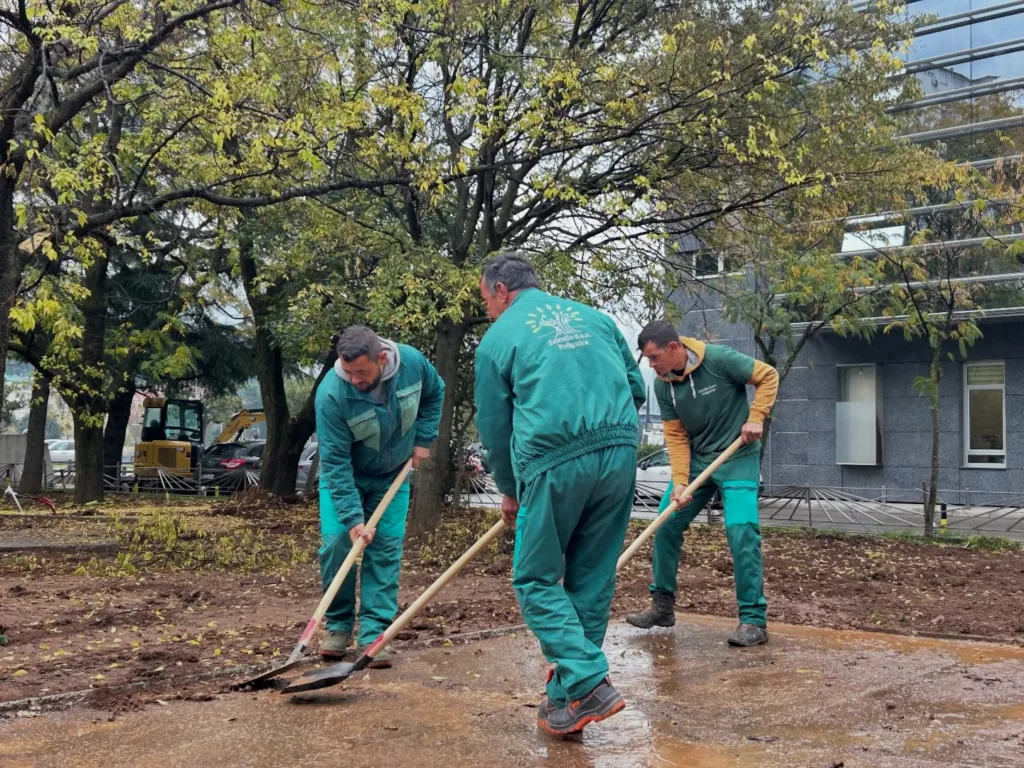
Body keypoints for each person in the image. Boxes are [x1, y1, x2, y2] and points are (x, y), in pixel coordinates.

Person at [474, 252, 646, 736]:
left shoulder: (497, 341)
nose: (487, 309)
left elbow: (494, 424)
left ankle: (590, 682)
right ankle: (568, 700)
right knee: (590, 581)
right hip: (618, 455)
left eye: (486, 299)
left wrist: (509, 489)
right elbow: (635, 387)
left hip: (553, 462)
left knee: (535, 579)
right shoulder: (597, 319)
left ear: (502, 291)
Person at [627, 320, 778, 647]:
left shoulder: (719, 359)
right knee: (666, 523)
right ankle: (662, 606)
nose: (651, 365)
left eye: (654, 357)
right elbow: (677, 436)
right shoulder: (663, 385)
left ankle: (753, 620)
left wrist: (756, 416)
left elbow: (768, 375)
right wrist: (680, 483)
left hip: (737, 456)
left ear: (674, 348)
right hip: (698, 461)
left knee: (741, 529)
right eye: (647, 360)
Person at [315, 326, 444, 666]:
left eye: (362, 372)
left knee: (385, 548)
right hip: (345, 477)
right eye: (348, 372)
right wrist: (354, 520)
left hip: (392, 476)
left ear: (381, 359)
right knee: (337, 545)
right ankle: (339, 626)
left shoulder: (413, 364)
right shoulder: (332, 394)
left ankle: (373, 634)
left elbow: (435, 393)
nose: (354, 379)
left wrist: (423, 439)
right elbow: (336, 461)